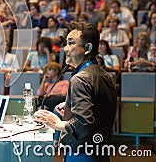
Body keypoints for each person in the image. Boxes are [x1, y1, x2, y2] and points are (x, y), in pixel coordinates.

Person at [34, 22, 117, 162]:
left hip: (82, 154)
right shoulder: (105, 75)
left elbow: (83, 125)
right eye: (66, 43)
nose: (65, 48)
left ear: (88, 48)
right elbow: (98, 111)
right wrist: (69, 109)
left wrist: (57, 124)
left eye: (71, 43)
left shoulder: (81, 79)